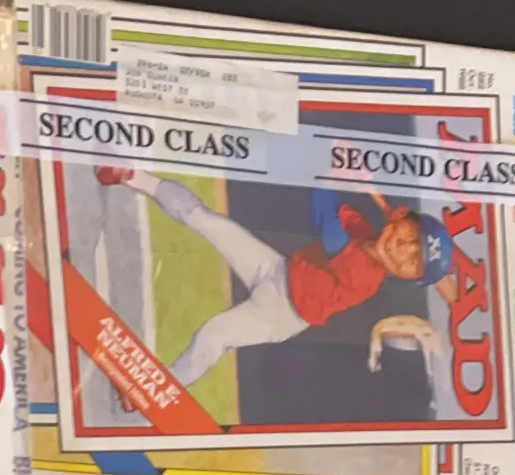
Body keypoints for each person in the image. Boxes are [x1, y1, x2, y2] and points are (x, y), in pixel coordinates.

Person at [94, 166, 457, 391]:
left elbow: (326, 223)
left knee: (213, 335)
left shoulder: (365, 276)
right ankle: (132, 176)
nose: (402, 248)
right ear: (400, 218)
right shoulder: (364, 230)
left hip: (281, 313)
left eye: (412, 261)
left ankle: (154, 389)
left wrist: (331, 173)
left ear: (404, 276)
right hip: (276, 269)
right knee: (205, 219)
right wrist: (344, 175)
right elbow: (328, 213)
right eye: (410, 235)